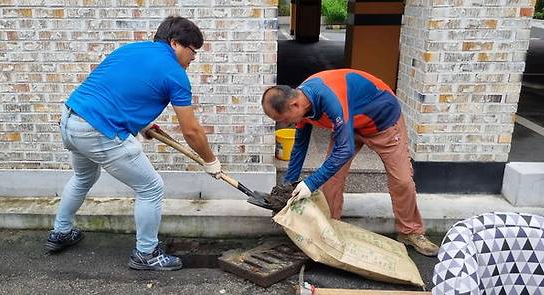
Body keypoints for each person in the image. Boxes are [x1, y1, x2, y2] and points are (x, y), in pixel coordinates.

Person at [46, 16, 222, 271]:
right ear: (175, 43)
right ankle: (146, 253)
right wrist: (210, 161)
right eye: (192, 50)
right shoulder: (175, 74)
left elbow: (113, 91)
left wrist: (142, 125)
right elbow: (192, 132)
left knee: (83, 177)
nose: (194, 58)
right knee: (151, 188)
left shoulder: (131, 49)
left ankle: (61, 232)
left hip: (70, 119)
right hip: (97, 130)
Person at [261, 69, 439, 256]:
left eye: (282, 120)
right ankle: (329, 229)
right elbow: (300, 145)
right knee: (331, 179)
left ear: (294, 105)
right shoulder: (301, 104)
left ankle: (410, 232)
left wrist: (310, 183)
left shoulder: (329, 98)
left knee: (402, 180)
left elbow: (344, 150)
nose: (283, 124)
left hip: (382, 122)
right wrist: (287, 188)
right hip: (348, 125)